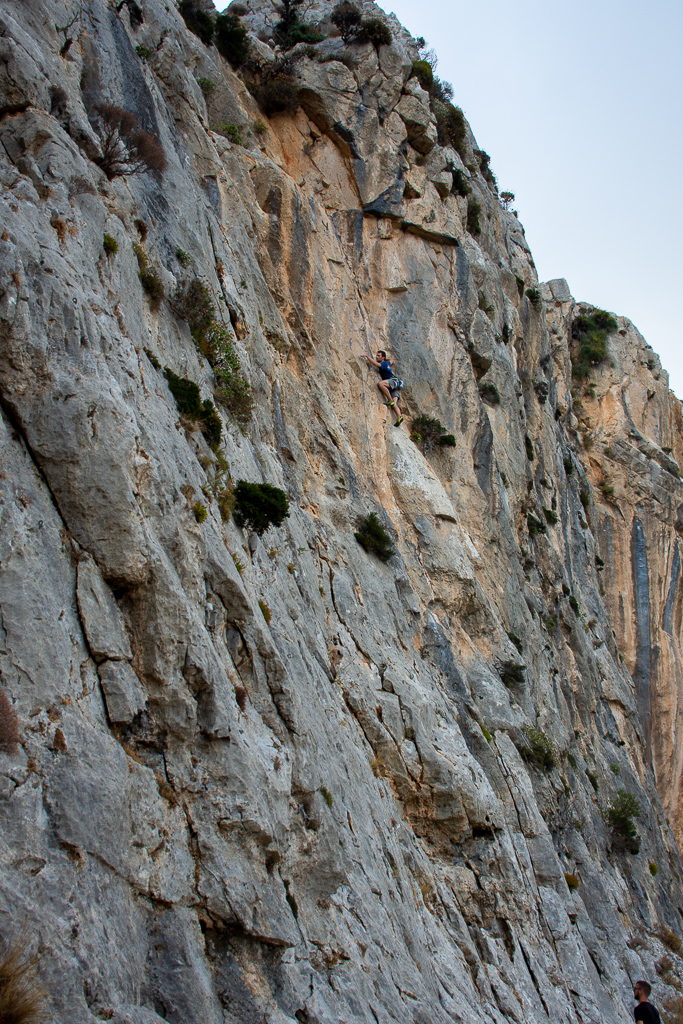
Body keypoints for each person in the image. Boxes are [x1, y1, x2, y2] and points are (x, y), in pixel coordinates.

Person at [361, 350, 404, 426]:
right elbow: (392, 360)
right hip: (395, 384)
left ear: (382, 358)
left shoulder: (383, 364)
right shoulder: (388, 363)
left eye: (378, 356)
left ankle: (390, 400)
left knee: (380, 384)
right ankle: (399, 417)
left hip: (392, 381)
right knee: (395, 404)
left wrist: (367, 356)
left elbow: (376, 364)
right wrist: (385, 358)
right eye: (377, 355)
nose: (376, 357)